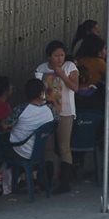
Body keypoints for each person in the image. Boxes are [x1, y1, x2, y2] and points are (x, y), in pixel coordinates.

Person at [35, 40, 79, 193]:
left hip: (65, 111)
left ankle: (64, 182)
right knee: (47, 146)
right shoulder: (41, 69)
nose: (60, 58)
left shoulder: (69, 67)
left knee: (63, 146)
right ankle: (47, 179)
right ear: (49, 56)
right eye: (56, 55)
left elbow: (75, 87)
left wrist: (61, 74)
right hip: (46, 111)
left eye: (62, 55)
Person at [5, 78, 56, 163]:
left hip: (19, 151)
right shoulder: (50, 109)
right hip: (40, 151)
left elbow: (4, 125)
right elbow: (56, 123)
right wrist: (51, 98)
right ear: (41, 93)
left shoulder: (21, 109)